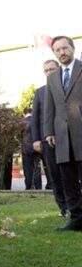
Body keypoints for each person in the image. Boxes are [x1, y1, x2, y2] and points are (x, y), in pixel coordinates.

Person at [44, 36, 82, 231]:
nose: (62, 52)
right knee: (68, 181)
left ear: (73, 48)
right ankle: (76, 219)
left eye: (65, 48)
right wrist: (49, 131)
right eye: (57, 50)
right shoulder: (51, 77)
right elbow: (49, 107)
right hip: (62, 137)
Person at [31, 60, 67, 216]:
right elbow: (35, 119)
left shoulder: (68, 87)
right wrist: (36, 139)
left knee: (71, 174)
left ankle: (76, 206)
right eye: (46, 70)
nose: (49, 72)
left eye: (52, 69)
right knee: (55, 175)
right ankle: (63, 208)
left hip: (69, 139)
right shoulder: (40, 92)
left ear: (59, 69)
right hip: (47, 142)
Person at [21, 108, 42, 190]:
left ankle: (29, 186)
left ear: (24, 113)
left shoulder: (22, 122)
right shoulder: (37, 121)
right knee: (37, 168)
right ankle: (38, 186)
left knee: (27, 168)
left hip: (26, 149)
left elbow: (19, 136)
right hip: (36, 147)